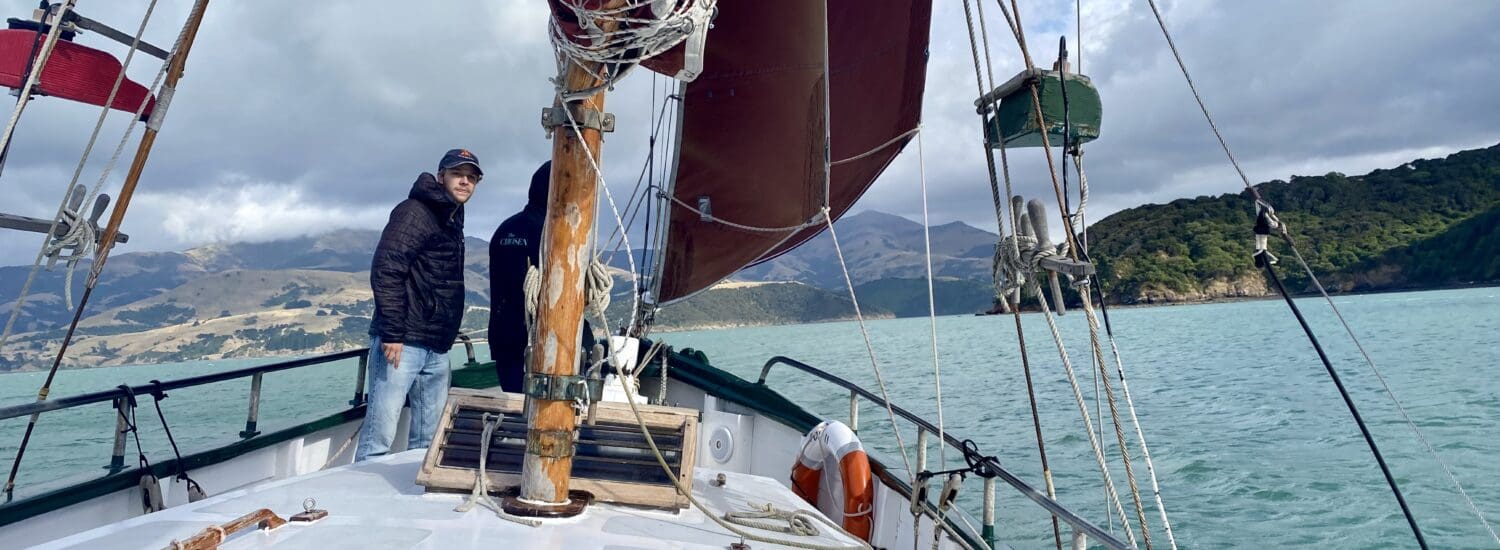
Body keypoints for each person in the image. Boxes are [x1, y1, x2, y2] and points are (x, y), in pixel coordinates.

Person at [355, 148, 481, 461]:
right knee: (378, 437)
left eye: (472, 177)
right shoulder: (414, 212)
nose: (465, 181)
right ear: (441, 176)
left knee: (428, 440)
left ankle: (412, 498)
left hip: (435, 345)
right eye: (457, 174)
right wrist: (393, 334)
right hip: (403, 343)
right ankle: (361, 500)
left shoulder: (451, 217)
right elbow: (387, 270)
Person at [489, 161, 595, 393]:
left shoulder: (504, 230)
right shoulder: (559, 233)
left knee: (518, 410)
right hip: (551, 341)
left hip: (506, 340)